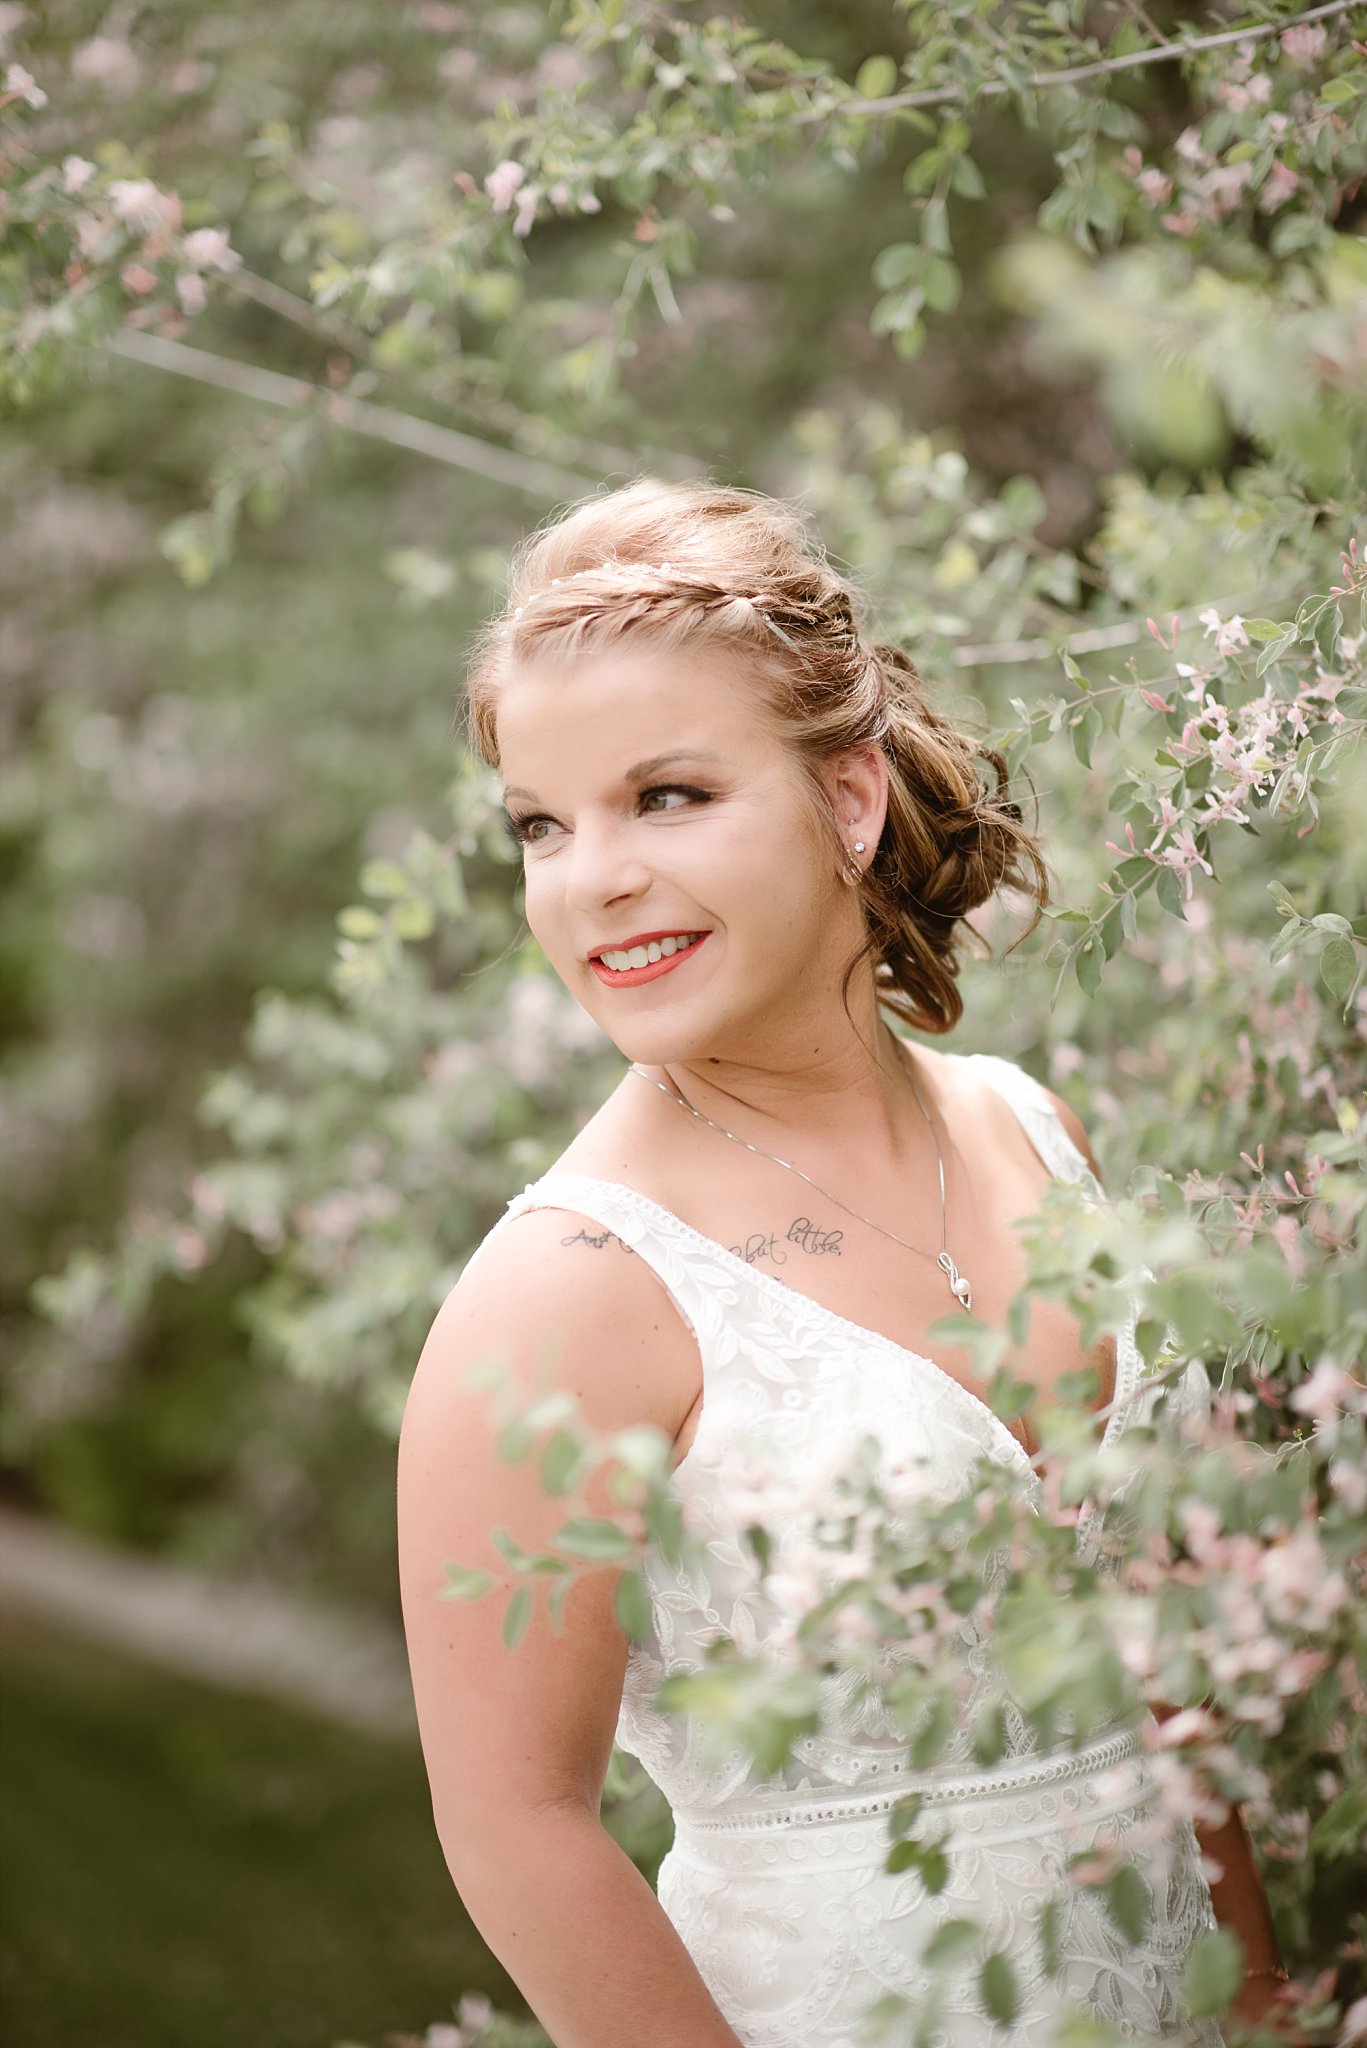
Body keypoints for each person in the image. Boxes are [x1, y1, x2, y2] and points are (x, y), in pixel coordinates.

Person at [396, 478, 1284, 2048]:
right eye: (542, 823)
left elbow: (1163, 1671)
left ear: (850, 802)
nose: (590, 878)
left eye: (667, 795)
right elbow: (520, 1833)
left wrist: (1262, 1996)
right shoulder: (567, 1294)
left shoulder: (1031, 1132)